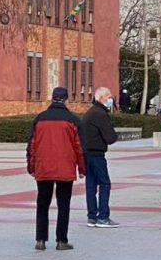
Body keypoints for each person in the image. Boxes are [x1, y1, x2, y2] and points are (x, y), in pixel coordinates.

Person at [28, 86, 85, 251]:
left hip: (43, 168)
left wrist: (31, 167)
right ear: (66, 100)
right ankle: (61, 240)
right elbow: (79, 147)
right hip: (65, 168)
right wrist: (82, 169)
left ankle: (40, 240)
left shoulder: (40, 119)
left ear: (52, 98)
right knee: (64, 204)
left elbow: (32, 145)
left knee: (42, 203)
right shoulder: (73, 120)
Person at [80, 86, 120, 229]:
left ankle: (92, 217)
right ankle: (103, 217)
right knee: (104, 184)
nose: (111, 99)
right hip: (97, 154)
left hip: (86, 154)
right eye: (109, 97)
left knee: (91, 186)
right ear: (102, 98)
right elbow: (110, 137)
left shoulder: (90, 113)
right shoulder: (100, 114)